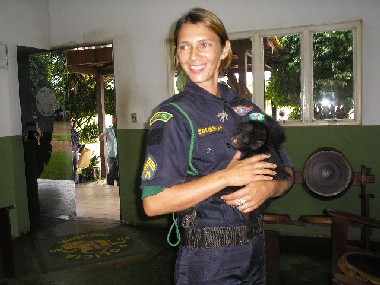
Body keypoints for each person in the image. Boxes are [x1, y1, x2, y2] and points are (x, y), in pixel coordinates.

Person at [140, 8, 294, 285]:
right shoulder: (173, 116)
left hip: (255, 255)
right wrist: (227, 176)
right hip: (208, 263)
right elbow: (153, 203)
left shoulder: (247, 110)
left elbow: (287, 173)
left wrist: (270, 187)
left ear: (224, 49)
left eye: (204, 44)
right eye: (184, 47)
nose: (193, 56)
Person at [99, 116, 119, 186]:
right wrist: (103, 135)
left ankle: (118, 183)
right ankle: (110, 183)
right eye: (113, 120)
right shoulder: (108, 129)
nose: (114, 121)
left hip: (119, 154)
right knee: (111, 169)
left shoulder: (121, 130)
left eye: (115, 120)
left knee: (119, 170)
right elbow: (100, 138)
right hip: (111, 154)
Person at [71, 120, 84, 184]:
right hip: (69, 151)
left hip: (75, 151)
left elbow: (77, 142)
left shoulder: (75, 132)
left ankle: (76, 181)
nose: (71, 123)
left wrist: (80, 147)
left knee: (76, 166)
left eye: (72, 122)